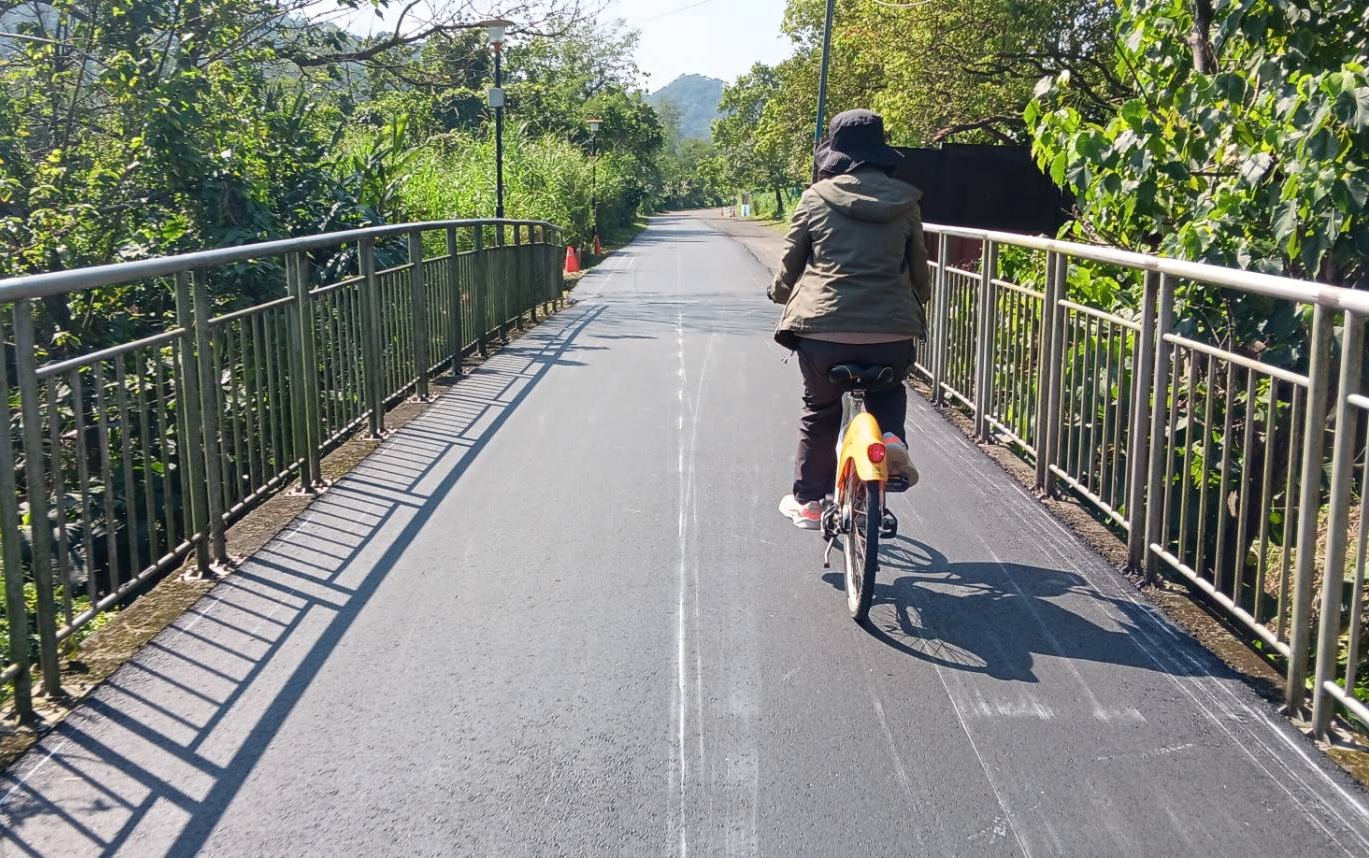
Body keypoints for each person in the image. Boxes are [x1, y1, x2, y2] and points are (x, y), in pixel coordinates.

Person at [768, 108, 931, 529]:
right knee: (889, 389)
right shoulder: (907, 202)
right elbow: (919, 271)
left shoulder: (814, 198)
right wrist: (917, 302)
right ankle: (891, 440)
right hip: (891, 333)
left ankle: (808, 501)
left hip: (824, 332)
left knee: (820, 409)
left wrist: (779, 293)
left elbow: (791, 263)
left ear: (837, 156)